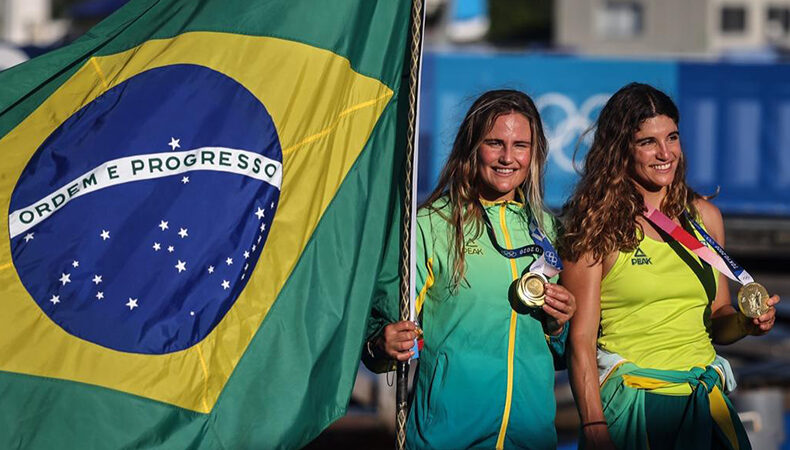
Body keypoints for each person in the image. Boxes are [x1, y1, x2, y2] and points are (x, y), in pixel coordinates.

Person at [560, 82, 781, 450]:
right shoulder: (594, 225)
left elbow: (718, 319)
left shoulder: (705, 218)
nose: (665, 153)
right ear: (620, 150)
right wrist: (594, 425)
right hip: (634, 405)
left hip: (704, 403)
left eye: (672, 138)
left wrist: (746, 322)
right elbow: (580, 342)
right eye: (648, 142)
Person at [363, 89, 576, 449]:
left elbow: (559, 357)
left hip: (529, 438)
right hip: (448, 437)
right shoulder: (432, 225)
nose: (508, 157)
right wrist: (384, 344)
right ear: (472, 147)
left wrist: (559, 324)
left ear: (534, 154)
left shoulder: (548, 232)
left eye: (520, 145)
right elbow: (380, 342)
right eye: (495, 143)